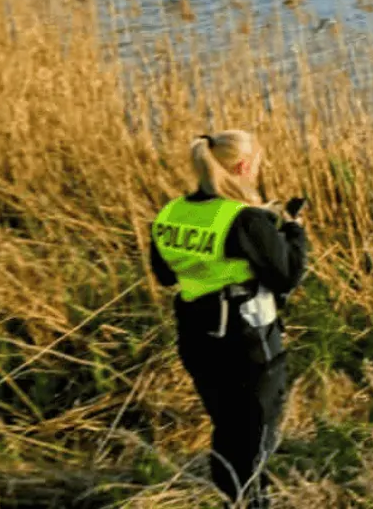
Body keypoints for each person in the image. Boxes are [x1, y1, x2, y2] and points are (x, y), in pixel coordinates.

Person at [148, 130, 309, 508]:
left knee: (227, 426)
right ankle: (251, 502)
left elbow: (166, 275)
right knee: (257, 433)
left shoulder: (171, 213)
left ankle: (231, 498)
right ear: (243, 166)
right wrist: (295, 232)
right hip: (249, 342)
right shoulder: (246, 219)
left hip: (197, 338)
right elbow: (287, 275)